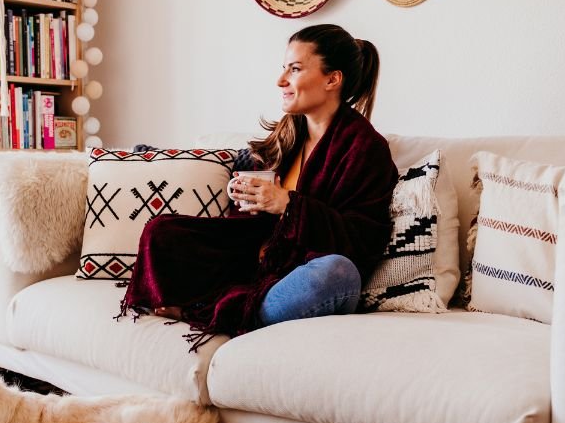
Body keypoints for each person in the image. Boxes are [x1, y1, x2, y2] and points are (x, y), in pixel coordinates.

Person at [119, 24, 399, 350]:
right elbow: (255, 228)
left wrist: (288, 205)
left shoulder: (365, 148)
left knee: (337, 273)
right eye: (283, 69)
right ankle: (223, 307)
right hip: (259, 263)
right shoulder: (286, 136)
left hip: (308, 274)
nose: (281, 81)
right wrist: (249, 202)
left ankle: (223, 313)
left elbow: (362, 240)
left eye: (294, 69)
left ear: (332, 79)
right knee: (162, 231)